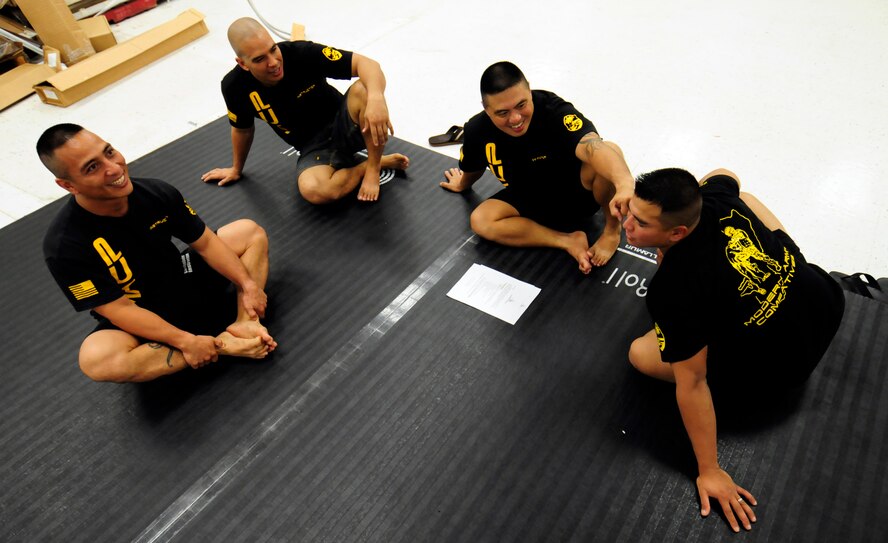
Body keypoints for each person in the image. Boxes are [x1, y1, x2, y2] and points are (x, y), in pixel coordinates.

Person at [624, 167, 845, 532]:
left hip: (780, 371)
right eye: (631, 212)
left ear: (677, 232)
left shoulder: (672, 290)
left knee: (640, 353)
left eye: (641, 223)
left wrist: (709, 470)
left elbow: (692, 384)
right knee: (747, 201)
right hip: (822, 301)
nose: (627, 226)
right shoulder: (715, 199)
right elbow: (726, 173)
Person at [40, 124, 277, 383]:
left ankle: (245, 324)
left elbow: (206, 243)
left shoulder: (155, 192)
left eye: (109, 152)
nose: (115, 168)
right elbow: (117, 309)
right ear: (67, 185)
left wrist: (247, 284)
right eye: (92, 167)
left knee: (247, 232)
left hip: (183, 278)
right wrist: (186, 342)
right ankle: (223, 344)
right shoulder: (63, 246)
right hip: (139, 312)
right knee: (97, 360)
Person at [439, 61, 635, 273]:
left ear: (529, 91)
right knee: (481, 220)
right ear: (486, 109)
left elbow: (592, 147)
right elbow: (473, 165)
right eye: (502, 113)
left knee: (609, 149)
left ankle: (611, 231)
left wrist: (624, 183)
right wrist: (463, 184)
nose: (515, 119)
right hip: (529, 201)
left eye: (521, 105)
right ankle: (568, 240)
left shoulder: (553, 109)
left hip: (578, 196)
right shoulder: (477, 129)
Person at [201, 17, 409, 203]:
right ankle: (367, 166)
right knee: (314, 191)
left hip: (347, 125)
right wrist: (236, 169)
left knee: (364, 89)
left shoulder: (301, 53)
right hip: (313, 147)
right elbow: (242, 129)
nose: (273, 62)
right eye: (259, 59)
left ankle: (372, 168)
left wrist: (376, 99)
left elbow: (368, 64)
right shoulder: (234, 86)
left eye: (273, 49)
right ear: (242, 63)